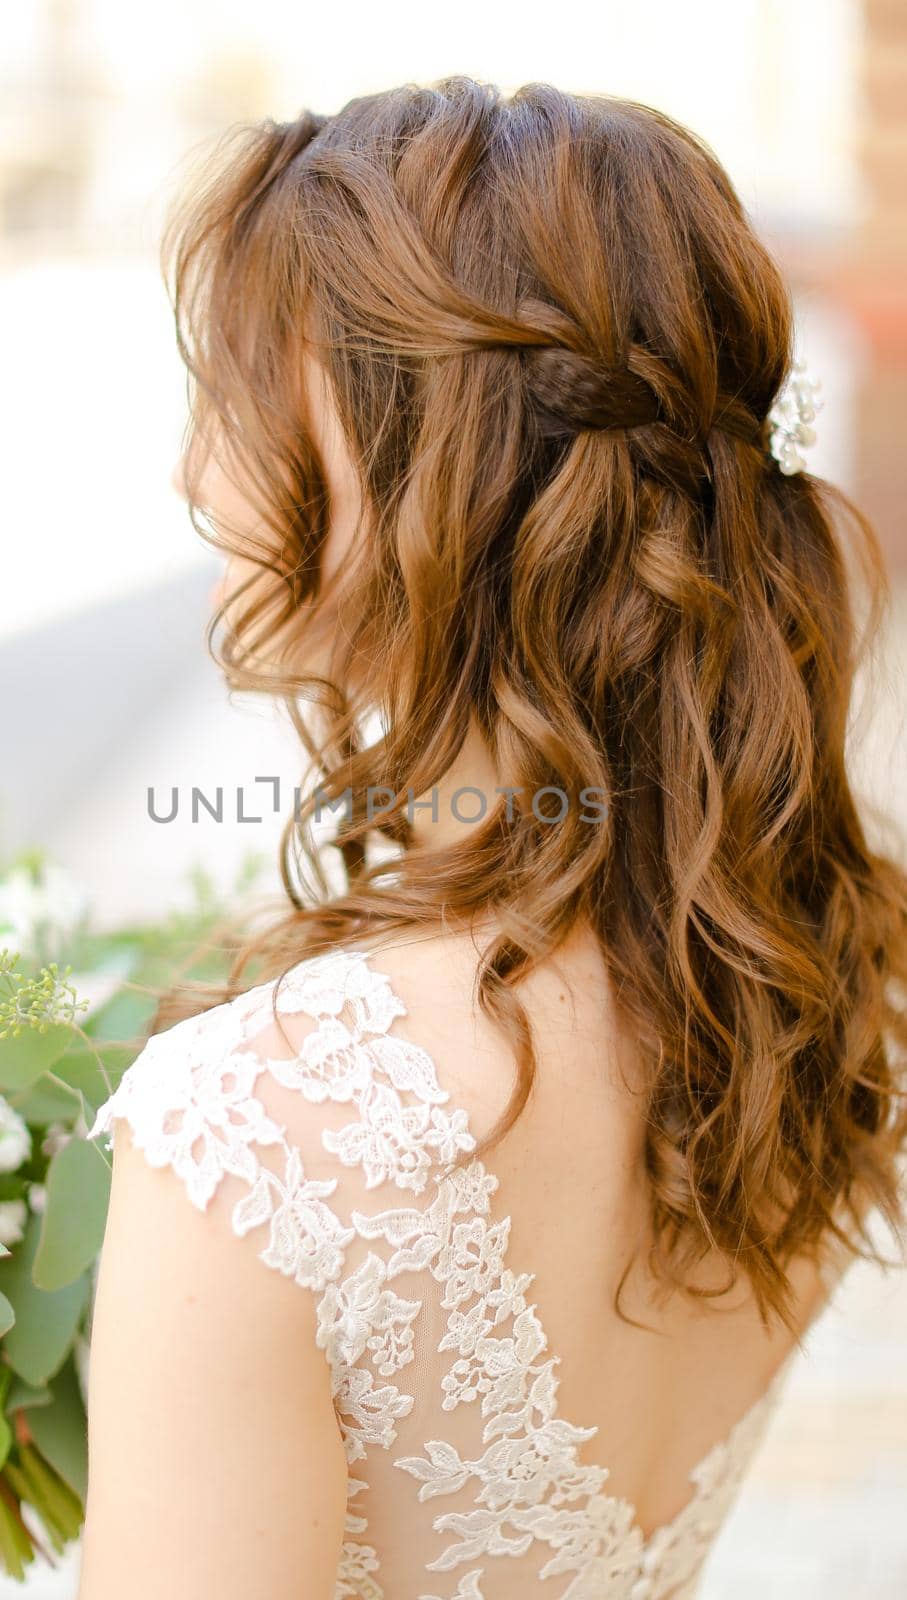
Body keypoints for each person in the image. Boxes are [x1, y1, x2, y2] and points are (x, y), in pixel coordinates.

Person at [76, 76, 907, 1600]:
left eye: (245, 398)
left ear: (440, 467)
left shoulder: (252, 1136)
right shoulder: (803, 984)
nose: (197, 473)